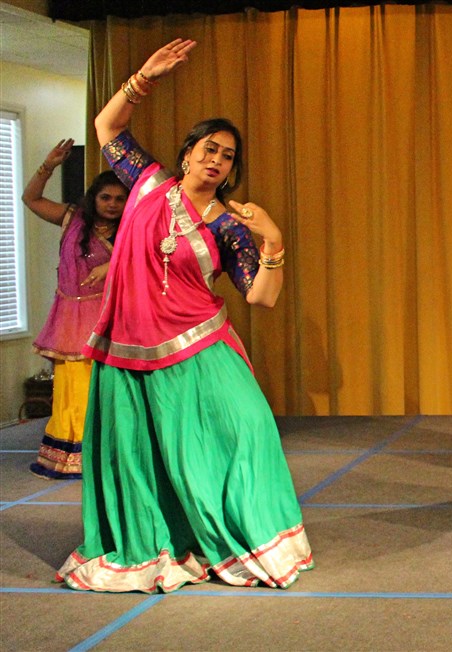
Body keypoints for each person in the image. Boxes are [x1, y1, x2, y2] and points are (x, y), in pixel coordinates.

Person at [55, 39, 312, 593]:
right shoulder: (147, 183)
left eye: (228, 156)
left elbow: (262, 297)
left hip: (200, 346)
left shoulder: (230, 225)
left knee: (249, 428)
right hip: (130, 353)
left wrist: (274, 241)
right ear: (188, 151)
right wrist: (144, 75)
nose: (217, 160)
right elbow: (107, 129)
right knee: (143, 458)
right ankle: (165, 539)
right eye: (209, 148)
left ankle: (248, 533)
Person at [23, 141, 128, 479]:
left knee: (102, 388)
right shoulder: (72, 219)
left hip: (110, 319)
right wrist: (48, 165)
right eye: (105, 197)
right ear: (93, 199)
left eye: (119, 198)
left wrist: (112, 265)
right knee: (69, 388)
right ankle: (66, 455)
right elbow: (32, 199)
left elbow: (149, 264)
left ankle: (103, 456)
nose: (112, 205)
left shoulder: (131, 233)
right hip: (69, 318)